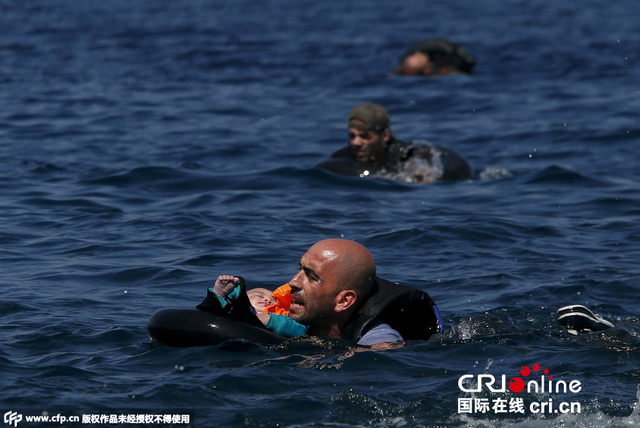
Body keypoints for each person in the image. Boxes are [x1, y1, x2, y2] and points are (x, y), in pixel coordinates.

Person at [285, 239, 442, 346]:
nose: (293, 282)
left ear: (343, 301)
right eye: (300, 269)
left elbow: (387, 358)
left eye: (311, 277)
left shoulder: (378, 338)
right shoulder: (282, 316)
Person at [316, 103, 473, 183]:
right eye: (352, 136)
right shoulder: (342, 156)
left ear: (384, 136)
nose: (356, 142)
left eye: (364, 136)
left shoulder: (405, 154)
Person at [198, 275, 307, 338]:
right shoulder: (238, 306)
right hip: (236, 316)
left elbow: (299, 331)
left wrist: (265, 318)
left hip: (264, 328)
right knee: (213, 306)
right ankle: (218, 296)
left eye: (275, 302)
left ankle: (245, 315)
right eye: (259, 295)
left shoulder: (284, 318)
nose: (267, 299)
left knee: (290, 326)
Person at [392, 38, 475, 76]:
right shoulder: (442, 71)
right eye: (418, 58)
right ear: (426, 70)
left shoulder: (432, 52)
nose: (418, 53)